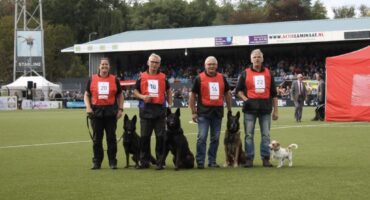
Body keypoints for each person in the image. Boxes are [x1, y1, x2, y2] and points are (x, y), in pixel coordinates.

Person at [235, 49, 278, 168]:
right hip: (249, 110)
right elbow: (238, 91)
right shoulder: (245, 73)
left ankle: (265, 159)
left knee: (266, 135)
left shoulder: (269, 73)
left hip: (266, 110)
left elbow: (274, 94)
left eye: (259, 57)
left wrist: (276, 110)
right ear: (251, 59)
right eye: (254, 57)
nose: (257, 59)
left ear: (262, 59)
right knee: (249, 135)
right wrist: (246, 99)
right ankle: (249, 159)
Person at [189, 56, 232, 169]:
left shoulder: (222, 78)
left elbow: (227, 93)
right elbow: (192, 96)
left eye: (213, 64)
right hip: (203, 113)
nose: (211, 66)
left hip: (217, 113)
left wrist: (229, 110)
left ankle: (212, 161)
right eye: (209, 64)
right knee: (202, 137)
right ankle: (200, 161)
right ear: (205, 65)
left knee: (215, 138)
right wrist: (193, 112)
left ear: (216, 66)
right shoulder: (199, 78)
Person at [133, 53, 172, 169]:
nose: (154, 64)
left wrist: (169, 104)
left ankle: (160, 161)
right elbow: (135, 91)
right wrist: (143, 97)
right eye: (152, 62)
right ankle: (144, 161)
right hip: (145, 110)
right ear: (148, 62)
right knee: (144, 137)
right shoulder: (141, 76)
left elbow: (169, 91)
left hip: (160, 111)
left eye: (156, 62)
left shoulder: (163, 77)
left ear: (159, 64)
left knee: (160, 137)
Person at [84, 57, 124, 170]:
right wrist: (88, 107)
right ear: (99, 66)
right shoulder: (92, 79)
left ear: (109, 67)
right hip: (96, 113)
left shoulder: (114, 79)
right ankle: (97, 162)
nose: (104, 67)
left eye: (106, 65)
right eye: (102, 65)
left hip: (111, 113)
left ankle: (112, 161)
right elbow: (86, 95)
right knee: (97, 139)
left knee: (111, 138)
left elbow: (120, 95)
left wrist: (120, 109)